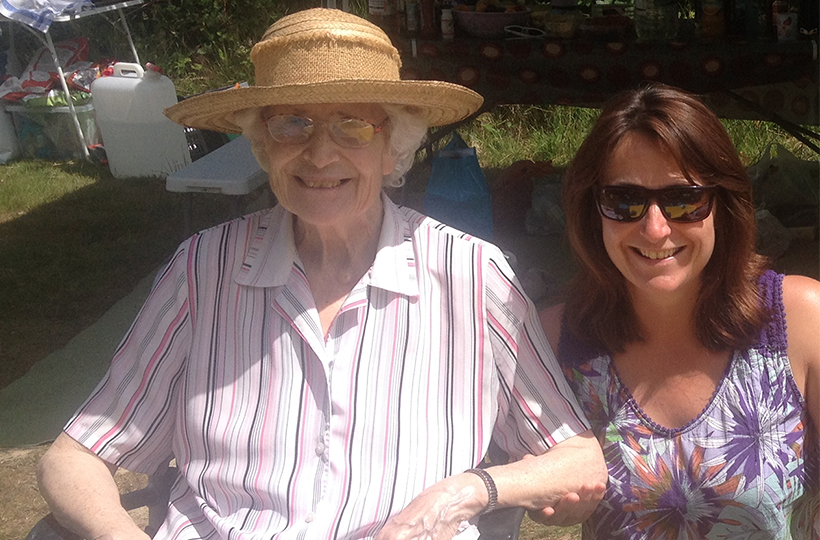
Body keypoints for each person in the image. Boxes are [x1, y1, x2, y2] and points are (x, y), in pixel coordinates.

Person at [37, 8, 607, 540]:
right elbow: (76, 455)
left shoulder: (471, 275)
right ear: (262, 143)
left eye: (353, 125)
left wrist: (468, 490)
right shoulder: (203, 269)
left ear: (395, 145)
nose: (319, 155)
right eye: (292, 124)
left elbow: (577, 458)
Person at [539, 83, 819, 538]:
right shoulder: (557, 340)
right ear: (593, 212)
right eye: (624, 201)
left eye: (684, 200)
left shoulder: (799, 319)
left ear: (723, 207)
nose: (654, 228)